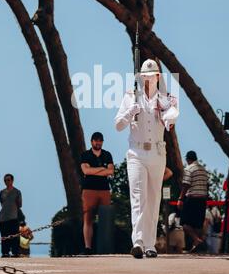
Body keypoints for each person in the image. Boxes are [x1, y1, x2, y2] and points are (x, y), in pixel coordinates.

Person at [115, 58, 179, 259]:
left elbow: (173, 112)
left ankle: (150, 244)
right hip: (136, 154)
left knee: (153, 199)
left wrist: (169, 118)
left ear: (158, 77)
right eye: (146, 77)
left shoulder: (165, 98)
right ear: (141, 78)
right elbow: (117, 124)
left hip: (157, 154)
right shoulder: (131, 96)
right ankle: (138, 242)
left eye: (153, 76)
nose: (149, 80)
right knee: (138, 198)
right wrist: (129, 112)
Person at [80, 132, 114, 255]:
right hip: (89, 190)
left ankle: (105, 247)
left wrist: (94, 170)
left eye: (100, 140)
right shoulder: (85, 155)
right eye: (95, 140)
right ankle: (88, 247)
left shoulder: (107, 155)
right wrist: (102, 169)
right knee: (88, 219)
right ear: (91, 141)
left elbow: (110, 171)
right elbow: (86, 170)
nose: (98, 142)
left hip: (104, 190)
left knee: (105, 219)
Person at [178, 151, 209, 253]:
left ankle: (196, 240)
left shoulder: (188, 169)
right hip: (202, 198)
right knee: (197, 224)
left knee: (184, 222)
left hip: (192, 198)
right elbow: (206, 185)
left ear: (187, 159)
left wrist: (181, 199)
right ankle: (196, 245)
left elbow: (186, 184)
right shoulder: (203, 170)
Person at [0, 174, 22, 257]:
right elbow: (2, 204)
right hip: (3, 218)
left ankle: (15, 252)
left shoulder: (17, 192)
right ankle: (5, 253)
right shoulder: (1, 192)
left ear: (12, 180)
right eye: (5, 180)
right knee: (4, 237)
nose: (6, 182)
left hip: (13, 218)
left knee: (15, 236)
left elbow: (19, 205)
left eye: (8, 180)